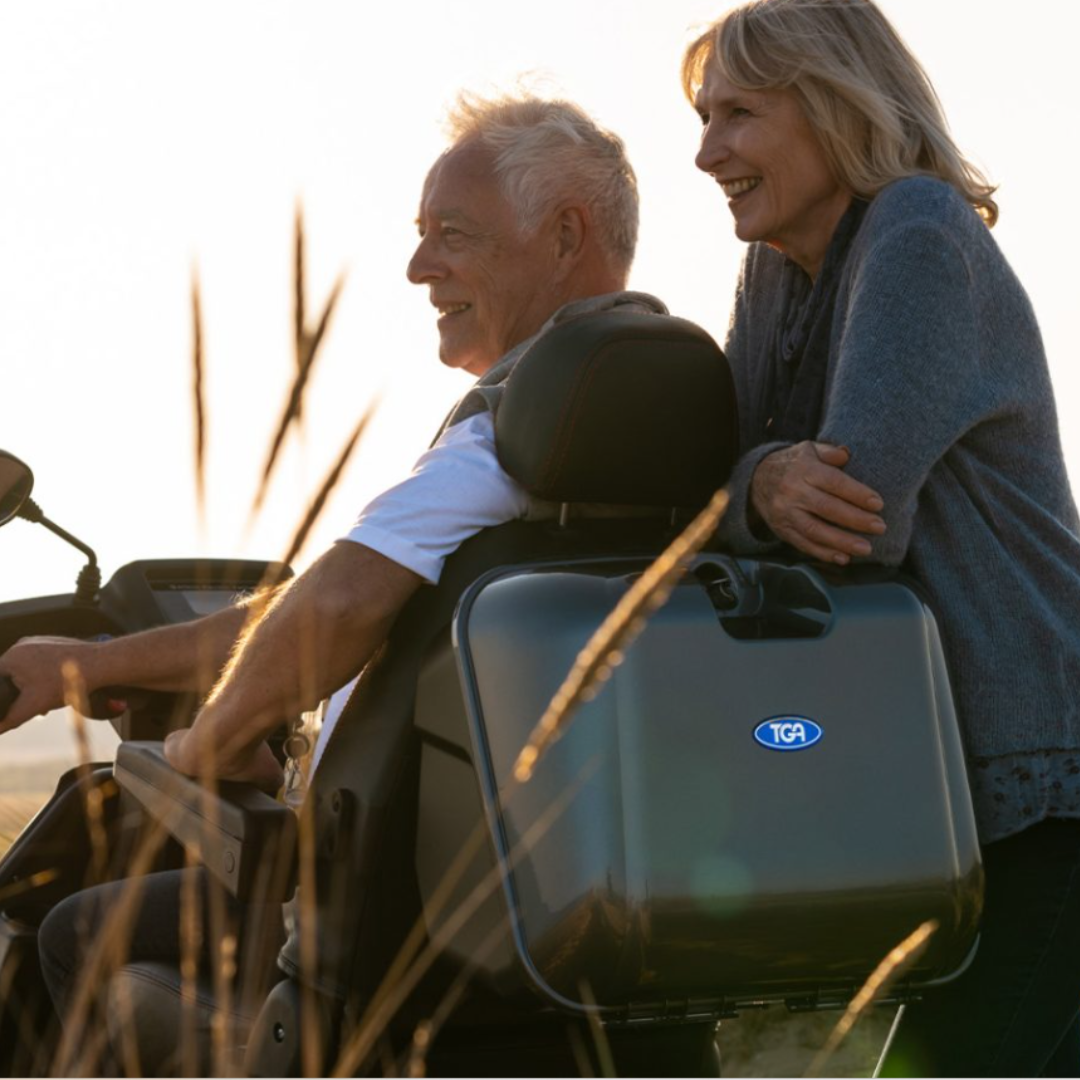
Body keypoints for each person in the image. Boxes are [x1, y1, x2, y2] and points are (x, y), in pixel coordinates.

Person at [0, 91, 664, 1048]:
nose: (417, 266)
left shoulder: (519, 425)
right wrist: (93, 667)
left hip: (380, 907)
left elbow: (342, 604)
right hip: (546, 895)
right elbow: (328, 600)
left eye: (453, 235)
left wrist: (202, 746)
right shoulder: (659, 426)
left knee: (76, 928)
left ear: (565, 237)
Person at [681, 0, 1080, 1075]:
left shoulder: (915, 231)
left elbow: (850, 531)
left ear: (830, 105)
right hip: (918, 796)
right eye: (705, 116)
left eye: (737, 116)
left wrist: (752, 497)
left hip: (1043, 786)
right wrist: (761, 479)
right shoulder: (776, 270)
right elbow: (709, 500)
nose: (706, 150)